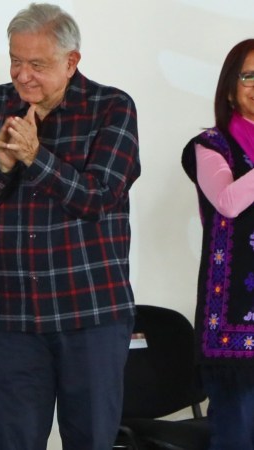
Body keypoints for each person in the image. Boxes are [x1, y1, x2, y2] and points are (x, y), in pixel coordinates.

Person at [0, 3, 140, 449]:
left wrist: (36, 157)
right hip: (12, 315)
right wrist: (1, 165)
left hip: (90, 312)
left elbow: (97, 198)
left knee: (92, 440)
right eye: (15, 61)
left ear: (71, 62)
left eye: (37, 64)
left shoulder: (112, 107)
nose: (23, 75)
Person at [182, 39, 254, 450]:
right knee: (237, 436)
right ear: (230, 89)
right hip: (232, 331)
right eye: (249, 76)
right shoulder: (210, 146)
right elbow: (227, 201)